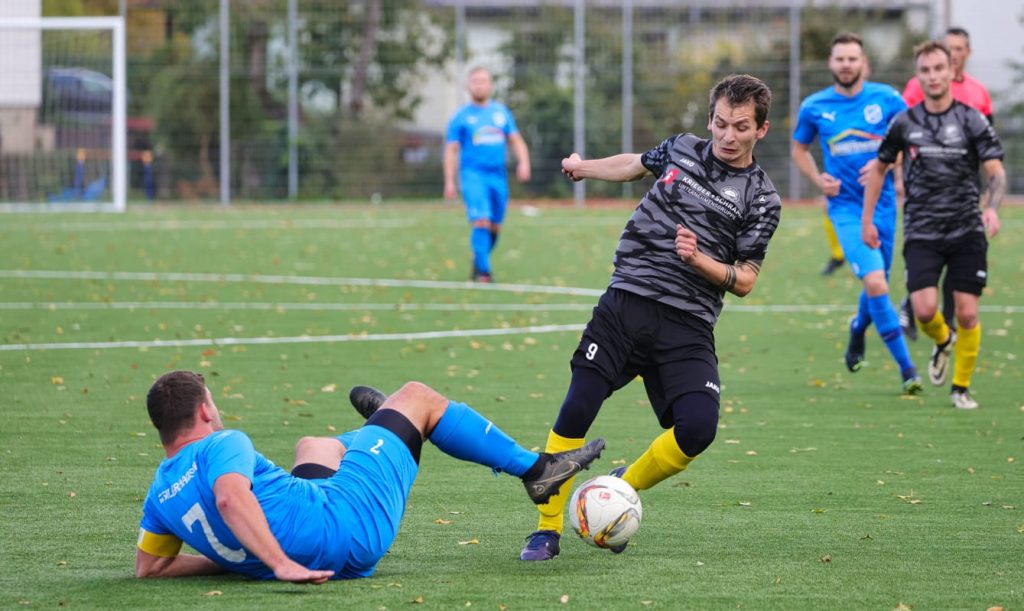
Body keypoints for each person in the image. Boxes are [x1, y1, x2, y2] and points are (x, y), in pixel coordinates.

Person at [525, 74, 780, 560]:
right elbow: (635, 164)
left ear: (761, 130)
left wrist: (699, 260)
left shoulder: (762, 198)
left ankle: (623, 486)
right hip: (627, 302)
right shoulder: (682, 148)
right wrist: (583, 167)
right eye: (720, 123)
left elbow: (746, 278)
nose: (727, 136)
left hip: (688, 323)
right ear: (710, 119)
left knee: (698, 428)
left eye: (741, 127)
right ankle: (546, 529)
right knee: (578, 407)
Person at [135, 371, 604, 581]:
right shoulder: (222, 443)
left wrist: (236, 559)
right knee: (418, 396)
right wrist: (278, 564)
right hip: (346, 525)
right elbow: (230, 498)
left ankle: (388, 426)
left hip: (320, 520)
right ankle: (537, 471)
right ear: (204, 412)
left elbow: (150, 568)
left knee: (313, 446)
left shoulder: (160, 493)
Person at [862, 40, 1006, 409]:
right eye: (925, 70)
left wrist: (991, 208)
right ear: (918, 76)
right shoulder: (905, 122)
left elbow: (995, 172)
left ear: (951, 71)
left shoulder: (971, 119)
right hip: (922, 230)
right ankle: (943, 340)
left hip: (966, 229)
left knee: (968, 312)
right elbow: (879, 169)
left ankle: (960, 388)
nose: (933, 76)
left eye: (939, 68)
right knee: (925, 311)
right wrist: (867, 219)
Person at [791, 32, 922, 394]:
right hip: (846, 209)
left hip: (884, 207)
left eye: (852, 59)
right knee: (877, 282)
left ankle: (857, 330)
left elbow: (910, 141)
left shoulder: (887, 98)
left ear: (863, 63)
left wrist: (886, 163)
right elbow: (799, 149)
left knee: (877, 281)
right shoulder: (815, 106)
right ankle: (907, 369)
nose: (846, 65)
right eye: (840, 59)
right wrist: (818, 178)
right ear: (831, 63)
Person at [898, 27, 994, 340]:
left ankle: (949, 325)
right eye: (948, 48)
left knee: (959, 263)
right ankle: (915, 309)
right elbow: (902, 135)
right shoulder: (919, 87)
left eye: (958, 48)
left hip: (963, 191)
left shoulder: (978, 94)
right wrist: (899, 176)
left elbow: (987, 149)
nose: (953, 54)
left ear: (967, 53)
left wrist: (988, 197)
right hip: (925, 197)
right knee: (925, 269)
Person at [443, 66, 531, 283]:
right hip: (472, 175)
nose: (479, 85)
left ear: (490, 86)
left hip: (497, 176)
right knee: (481, 220)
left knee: (495, 226)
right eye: (475, 81)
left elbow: (516, 140)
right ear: (468, 86)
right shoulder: (461, 117)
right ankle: (484, 272)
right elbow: (451, 150)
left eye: (483, 81)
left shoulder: (501, 113)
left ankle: (478, 258)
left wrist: (523, 162)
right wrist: (449, 181)